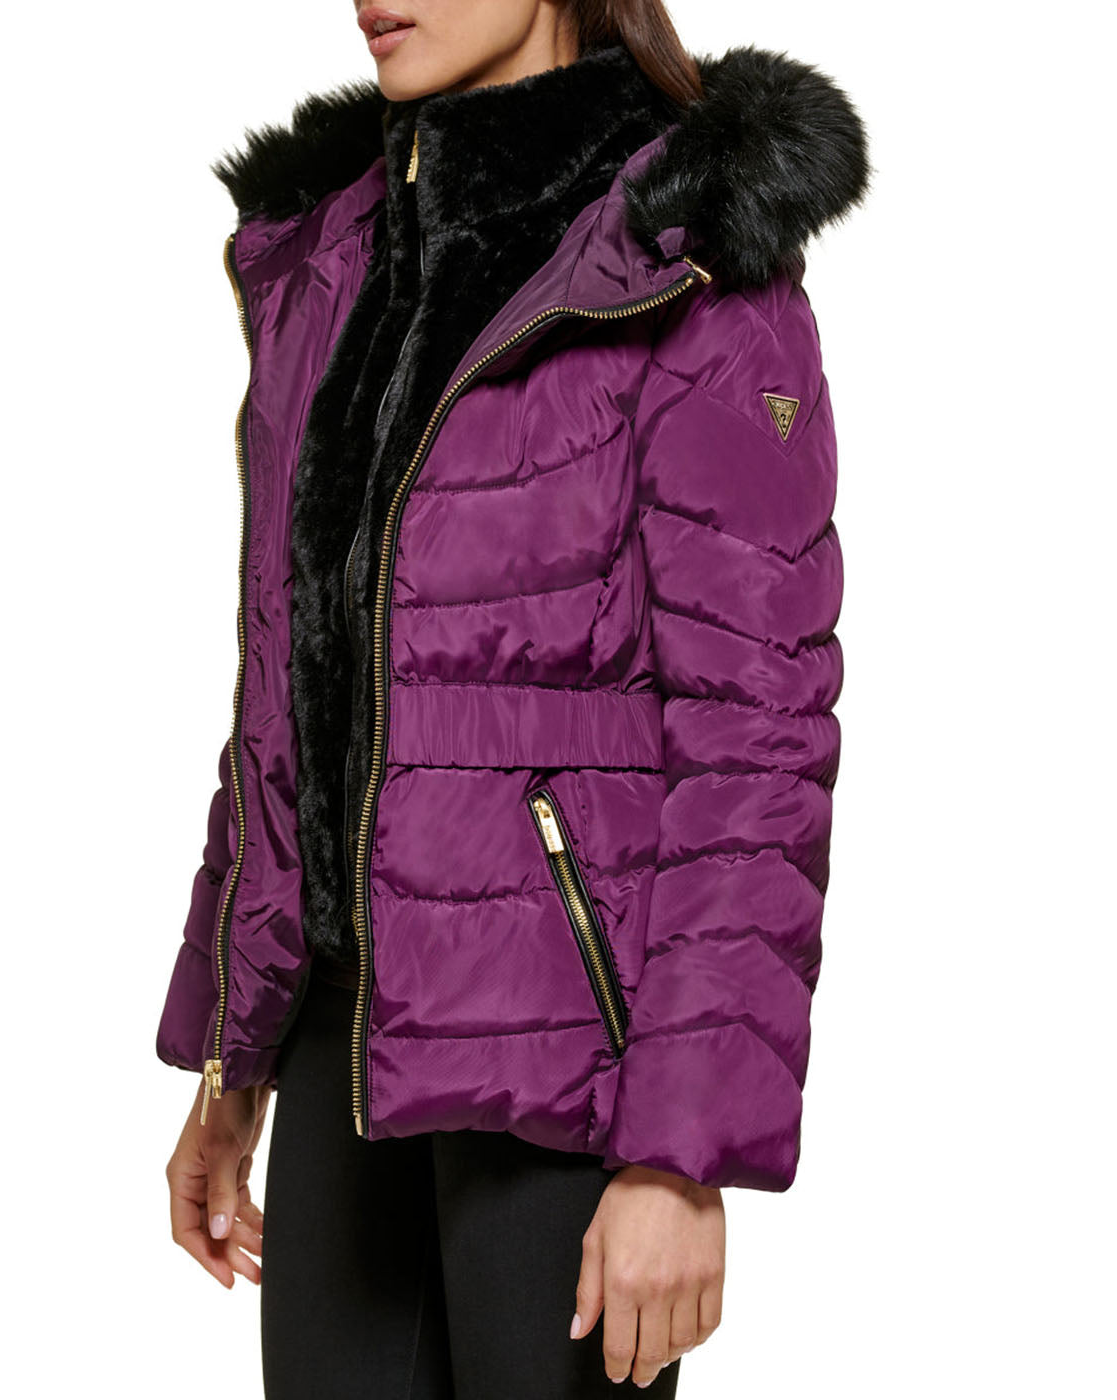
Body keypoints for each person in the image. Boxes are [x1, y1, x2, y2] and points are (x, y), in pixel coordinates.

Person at [158, 2, 870, 1395]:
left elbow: (760, 740)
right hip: (342, 1045)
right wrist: (236, 1054)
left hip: (570, 1077)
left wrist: (681, 1152)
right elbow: (291, 688)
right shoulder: (338, 262)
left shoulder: (683, 254)